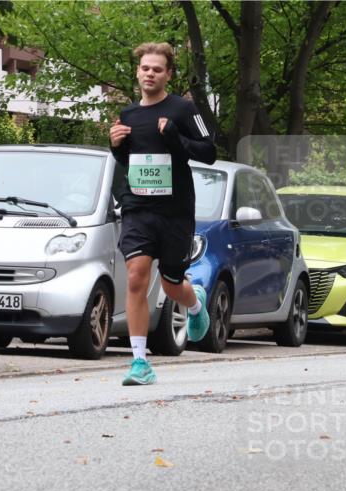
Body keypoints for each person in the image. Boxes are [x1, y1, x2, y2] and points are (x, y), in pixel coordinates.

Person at [110, 42, 216, 385]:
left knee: (172, 285)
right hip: (138, 207)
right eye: (145, 68)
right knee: (137, 275)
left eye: (157, 69)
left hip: (175, 211)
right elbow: (130, 162)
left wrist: (174, 137)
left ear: (168, 74)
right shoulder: (127, 116)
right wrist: (115, 147)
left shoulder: (183, 110)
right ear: (138, 72)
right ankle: (139, 363)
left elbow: (209, 152)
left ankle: (195, 303)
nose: (150, 74)